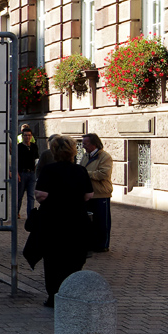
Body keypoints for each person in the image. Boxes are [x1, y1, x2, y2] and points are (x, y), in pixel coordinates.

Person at [34, 135, 94, 307]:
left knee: (53, 259)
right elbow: (88, 195)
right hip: (77, 222)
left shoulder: (49, 170)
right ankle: (71, 293)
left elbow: (41, 195)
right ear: (73, 152)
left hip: (53, 222)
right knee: (74, 258)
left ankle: (54, 296)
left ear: (54, 152)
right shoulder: (80, 170)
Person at [81, 133, 113, 252]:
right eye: (83, 143)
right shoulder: (85, 156)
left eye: (86, 143)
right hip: (88, 194)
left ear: (94, 143)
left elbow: (103, 174)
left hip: (101, 193)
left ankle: (103, 245)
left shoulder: (105, 157)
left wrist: (85, 174)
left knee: (101, 221)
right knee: (89, 221)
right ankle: (91, 243)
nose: (84, 146)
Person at [17, 125, 39, 218]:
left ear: (31, 136)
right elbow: (16, 161)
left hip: (31, 174)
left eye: (29, 135)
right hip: (22, 173)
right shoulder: (19, 147)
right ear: (22, 136)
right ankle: (16, 212)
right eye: (25, 135)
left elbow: (37, 158)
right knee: (19, 195)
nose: (27, 137)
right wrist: (17, 173)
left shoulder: (34, 146)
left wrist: (35, 167)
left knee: (31, 196)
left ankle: (30, 215)